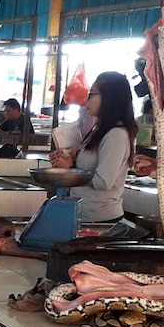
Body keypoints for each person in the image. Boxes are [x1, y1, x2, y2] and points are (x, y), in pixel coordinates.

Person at [49, 72, 137, 223]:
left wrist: (71, 170)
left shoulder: (116, 135)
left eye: (91, 95)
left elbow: (103, 182)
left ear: (109, 98)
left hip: (101, 219)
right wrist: (70, 160)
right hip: (84, 214)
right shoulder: (99, 130)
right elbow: (90, 167)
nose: (86, 100)